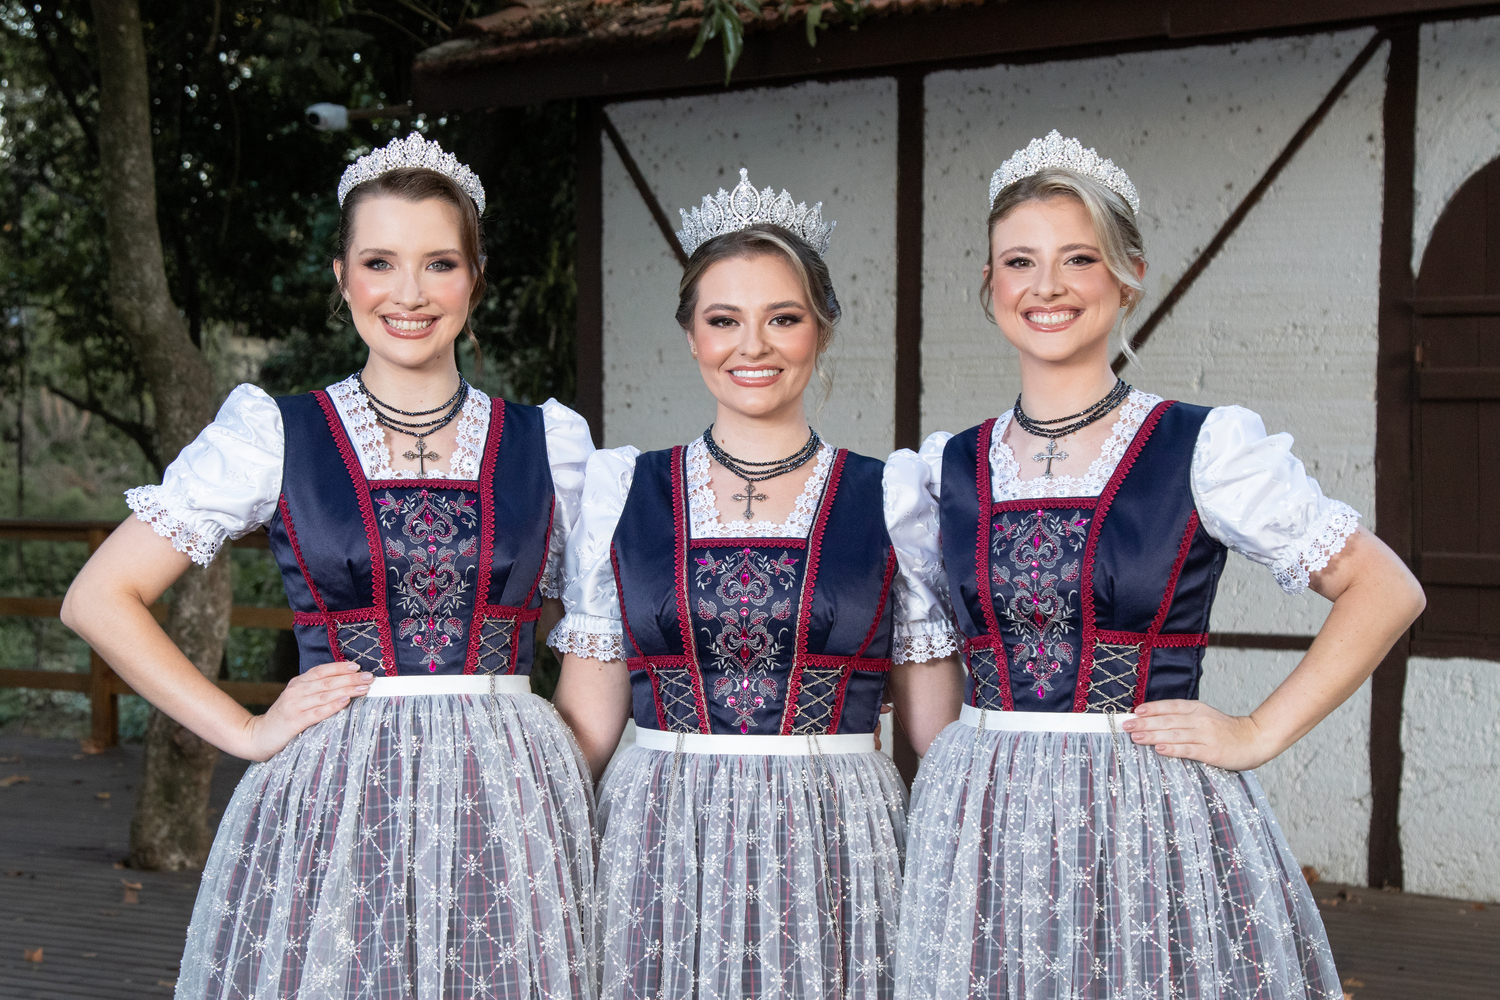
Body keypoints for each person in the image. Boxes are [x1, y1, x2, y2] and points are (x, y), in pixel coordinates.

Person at [890, 131, 1426, 1000]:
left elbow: (1386, 589)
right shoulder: (941, 471)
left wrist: (1254, 734)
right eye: (1019, 262)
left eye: (1078, 258)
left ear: (1129, 274)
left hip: (1148, 812)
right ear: (990, 285)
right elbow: (931, 670)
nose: (1047, 286)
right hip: (984, 819)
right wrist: (961, 782)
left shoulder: (1202, 447)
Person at [62, 134, 598, 1000]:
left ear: (476, 277)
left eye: (440, 263)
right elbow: (99, 598)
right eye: (380, 261)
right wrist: (244, 731)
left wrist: (571, 773)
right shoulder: (276, 432)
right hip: (336, 794)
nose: (410, 294)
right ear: (342, 276)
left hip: (511, 794)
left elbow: (607, 630)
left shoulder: (553, 443)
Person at [549, 169, 965, 1000]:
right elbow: (585, 731)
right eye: (723, 320)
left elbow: (937, 739)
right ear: (691, 335)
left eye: (783, 318)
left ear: (822, 329)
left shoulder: (894, 495)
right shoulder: (622, 490)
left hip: (842, 835)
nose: (754, 346)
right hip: (658, 834)